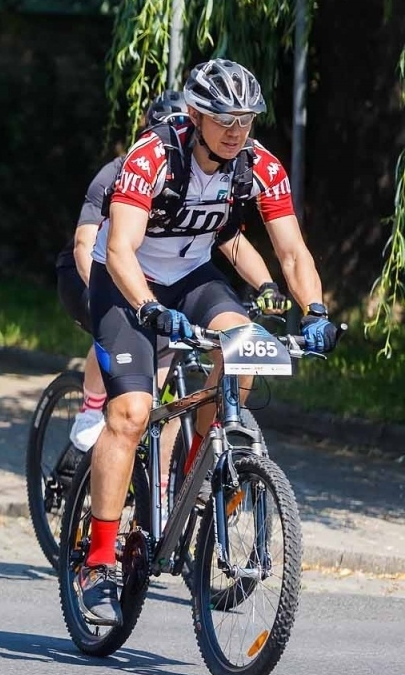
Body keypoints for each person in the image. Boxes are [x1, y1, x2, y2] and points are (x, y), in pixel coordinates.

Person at [78, 58, 337, 626]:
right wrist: (149, 307)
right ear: (195, 115)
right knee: (131, 412)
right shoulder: (152, 156)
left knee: (246, 350)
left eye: (245, 120)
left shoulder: (259, 167)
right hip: (126, 282)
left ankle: (199, 474)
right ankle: (97, 561)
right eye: (224, 118)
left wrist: (315, 310)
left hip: (193, 277)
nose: (236, 130)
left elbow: (292, 252)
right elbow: (119, 248)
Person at [57, 88, 289, 452]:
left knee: (165, 394)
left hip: (172, 281)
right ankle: (91, 408)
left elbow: (230, 240)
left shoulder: (213, 181)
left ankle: (170, 486)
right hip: (95, 269)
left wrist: (267, 285)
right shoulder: (119, 173)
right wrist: (102, 298)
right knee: (126, 359)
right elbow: (86, 245)